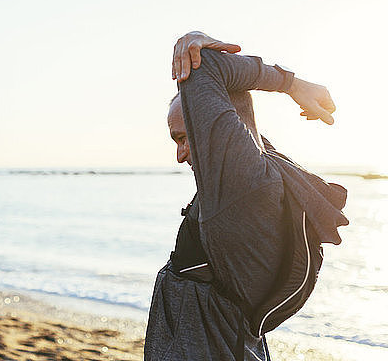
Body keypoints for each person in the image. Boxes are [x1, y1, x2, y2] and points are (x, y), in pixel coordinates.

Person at [144, 32, 349, 360]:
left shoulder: (244, 185)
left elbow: (203, 67)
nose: (181, 154)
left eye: (185, 136)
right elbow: (233, 102)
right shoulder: (261, 173)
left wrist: (293, 85)